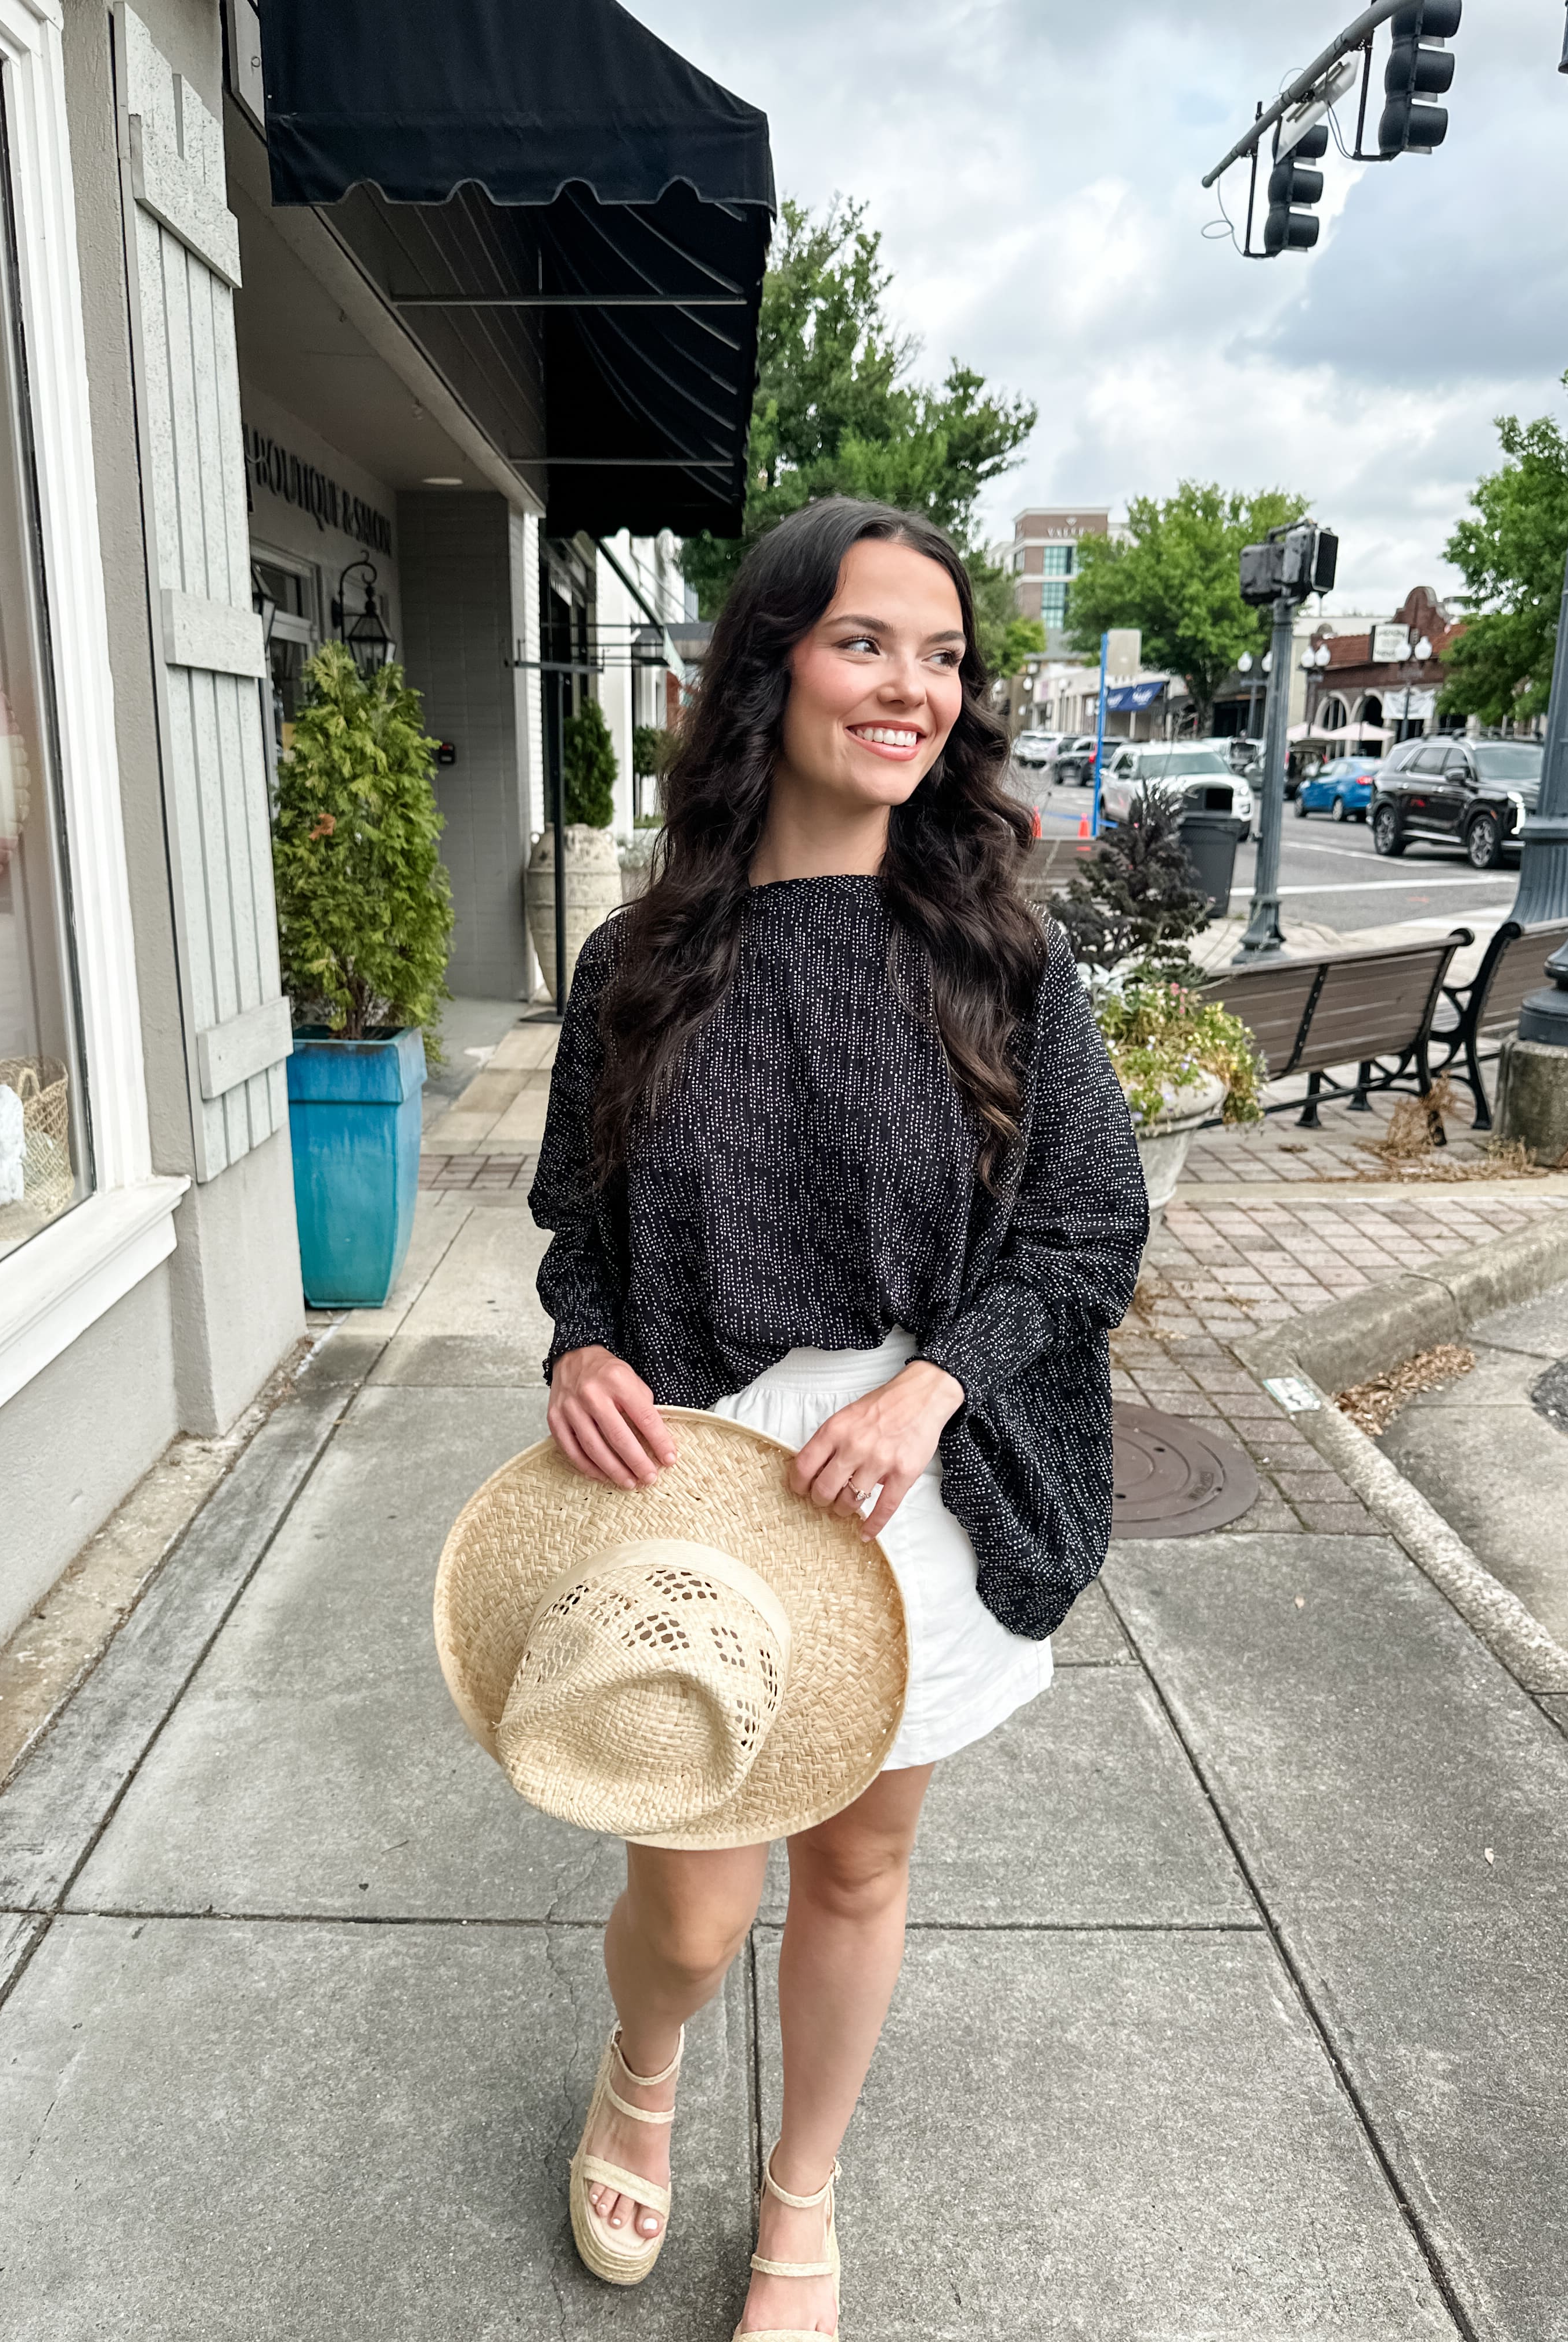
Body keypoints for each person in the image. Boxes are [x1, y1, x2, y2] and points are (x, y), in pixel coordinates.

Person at [528, 496, 1148, 2336]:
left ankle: (800, 2198)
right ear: (772, 662)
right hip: (706, 1486)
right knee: (700, 1905)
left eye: (945, 657)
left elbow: (1089, 1227)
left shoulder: (1001, 961)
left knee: (862, 1858)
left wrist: (939, 1388)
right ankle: (642, 2068)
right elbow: (579, 1232)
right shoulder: (636, 968)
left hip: (924, 1481)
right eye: (869, 640)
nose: (913, 688)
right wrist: (580, 1354)